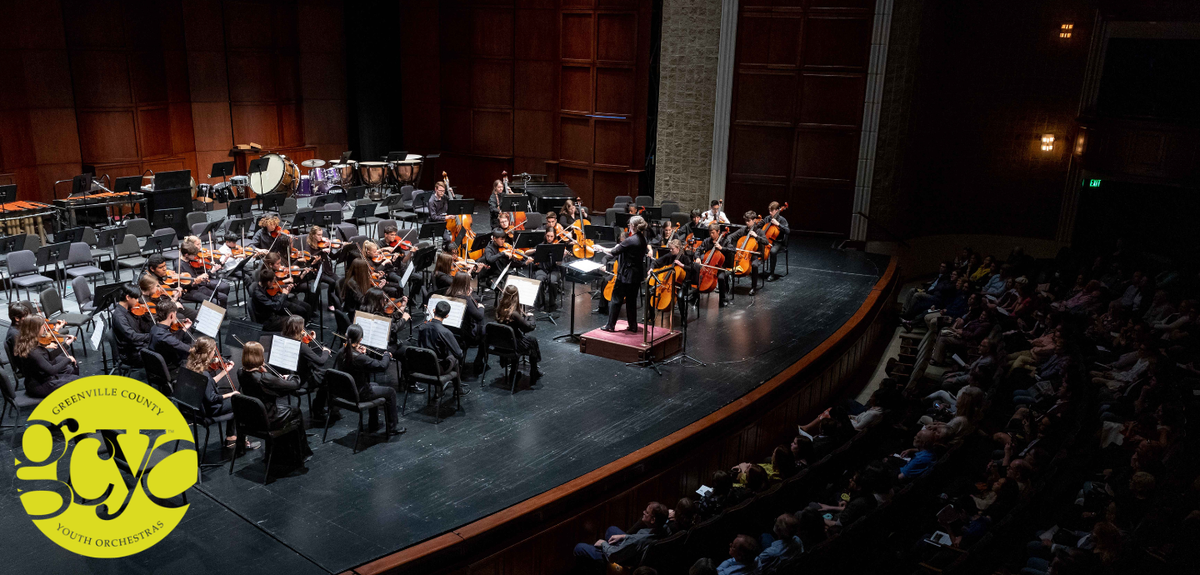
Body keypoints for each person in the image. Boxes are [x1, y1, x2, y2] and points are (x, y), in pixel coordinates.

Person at [237, 341, 311, 463]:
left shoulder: (240, 372)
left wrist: (266, 374)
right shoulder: (264, 378)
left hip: (252, 418)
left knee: (286, 409)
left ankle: (279, 451)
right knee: (295, 411)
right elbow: (294, 385)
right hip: (268, 418)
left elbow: (266, 389)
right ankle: (299, 454)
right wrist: (291, 377)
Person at [185, 336, 258, 451]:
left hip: (196, 408)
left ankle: (231, 437)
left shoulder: (191, 367)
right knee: (239, 402)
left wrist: (225, 372)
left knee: (235, 401)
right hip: (209, 410)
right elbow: (212, 398)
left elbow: (208, 384)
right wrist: (230, 394)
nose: (215, 353)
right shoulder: (204, 374)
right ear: (209, 352)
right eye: (214, 351)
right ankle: (240, 441)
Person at [335, 324, 406, 436]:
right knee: (391, 392)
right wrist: (386, 355)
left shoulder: (341, 351)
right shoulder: (359, 358)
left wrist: (361, 352)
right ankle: (392, 428)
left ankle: (374, 423)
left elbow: (357, 362)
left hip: (346, 392)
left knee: (374, 384)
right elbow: (382, 366)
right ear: (360, 339)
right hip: (359, 394)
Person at [573, 502, 669, 570]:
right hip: (635, 550)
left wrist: (603, 544)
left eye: (647, 512)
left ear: (653, 520)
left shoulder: (637, 540)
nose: (643, 512)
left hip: (622, 560)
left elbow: (613, 555)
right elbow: (636, 539)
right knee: (612, 530)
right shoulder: (665, 528)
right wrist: (624, 536)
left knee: (579, 548)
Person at [597, 215, 650, 333]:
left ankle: (610, 326)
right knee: (631, 301)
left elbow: (613, 252)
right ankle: (633, 325)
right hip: (637, 274)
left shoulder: (631, 240)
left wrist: (600, 248)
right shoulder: (643, 239)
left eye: (630, 224)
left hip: (626, 275)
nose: (629, 226)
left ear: (633, 226)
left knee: (616, 299)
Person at [280, 315, 337, 421]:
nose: (304, 330)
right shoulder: (301, 347)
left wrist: (309, 340)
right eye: (302, 327)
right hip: (303, 379)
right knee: (329, 377)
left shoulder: (284, 340)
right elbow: (320, 361)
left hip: (291, 376)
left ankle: (320, 408)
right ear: (298, 329)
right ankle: (318, 409)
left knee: (324, 374)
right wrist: (325, 351)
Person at [12, 315, 79, 398]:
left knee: (71, 371)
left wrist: (66, 344)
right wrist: (68, 359)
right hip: (40, 386)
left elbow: (48, 357)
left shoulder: (29, 342)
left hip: (42, 379)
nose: (44, 329)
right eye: (42, 327)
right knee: (76, 381)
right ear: (36, 330)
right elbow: (51, 370)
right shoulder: (33, 352)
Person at [416, 301, 468, 396]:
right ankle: (458, 390)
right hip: (437, 369)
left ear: (434, 310)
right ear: (447, 316)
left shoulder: (422, 327)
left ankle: (439, 391)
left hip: (422, 365)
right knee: (454, 359)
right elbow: (459, 354)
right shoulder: (445, 332)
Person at [495, 284, 543, 380]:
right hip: (513, 344)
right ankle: (534, 371)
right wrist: (531, 317)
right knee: (532, 341)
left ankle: (513, 372)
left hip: (501, 343)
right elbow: (528, 328)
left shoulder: (499, 309)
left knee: (527, 340)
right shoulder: (514, 314)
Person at [111, 283, 153, 364]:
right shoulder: (119, 316)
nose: (138, 301)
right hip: (131, 353)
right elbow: (132, 336)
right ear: (127, 297)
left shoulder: (129, 309)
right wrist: (150, 336)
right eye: (136, 298)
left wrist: (146, 316)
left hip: (137, 345)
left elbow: (141, 327)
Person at [149, 300, 193, 374]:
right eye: (175, 313)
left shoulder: (154, 328)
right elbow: (188, 349)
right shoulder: (165, 337)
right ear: (171, 315)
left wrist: (183, 329)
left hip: (158, 366)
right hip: (171, 369)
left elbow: (173, 340)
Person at [726, 211, 763, 295]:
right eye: (745, 221)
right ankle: (726, 285)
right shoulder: (743, 230)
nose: (747, 223)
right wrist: (730, 246)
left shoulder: (759, 231)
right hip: (742, 254)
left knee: (754, 265)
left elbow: (766, 242)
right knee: (728, 259)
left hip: (754, 254)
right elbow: (730, 236)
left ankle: (753, 287)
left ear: (754, 220)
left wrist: (756, 236)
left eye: (748, 221)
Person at [532, 228, 563, 311]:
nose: (549, 238)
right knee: (539, 280)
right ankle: (540, 303)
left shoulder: (557, 247)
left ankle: (552, 304)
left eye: (551, 236)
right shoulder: (540, 245)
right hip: (542, 269)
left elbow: (560, 264)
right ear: (545, 235)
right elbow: (527, 252)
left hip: (554, 269)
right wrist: (536, 250)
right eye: (548, 236)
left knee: (552, 281)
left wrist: (561, 258)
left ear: (554, 236)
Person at [761, 201, 790, 281]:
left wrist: (778, 224)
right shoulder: (767, 218)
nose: (770, 213)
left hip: (778, 242)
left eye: (772, 211)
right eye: (769, 211)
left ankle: (772, 273)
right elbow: (761, 227)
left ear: (777, 210)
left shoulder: (782, 220)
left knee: (773, 251)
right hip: (768, 241)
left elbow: (788, 231)